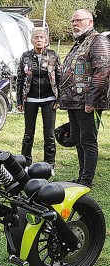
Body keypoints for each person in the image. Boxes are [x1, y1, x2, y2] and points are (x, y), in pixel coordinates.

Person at [59, 9, 110, 187]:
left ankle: (86, 181)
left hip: (87, 102)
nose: (74, 24)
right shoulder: (79, 42)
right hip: (74, 102)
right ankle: (81, 177)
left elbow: (103, 71)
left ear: (90, 22)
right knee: (78, 140)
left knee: (88, 141)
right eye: (73, 21)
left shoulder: (98, 40)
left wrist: (92, 101)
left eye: (79, 20)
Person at [16, 27, 61, 167]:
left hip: (49, 100)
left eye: (42, 37)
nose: (39, 40)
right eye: (36, 37)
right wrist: (19, 100)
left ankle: (50, 165)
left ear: (46, 40)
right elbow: (20, 79)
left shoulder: (53, 55)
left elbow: (60, 77)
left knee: (49, 135)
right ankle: (25, 163)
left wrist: (59, 99)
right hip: (30, 100)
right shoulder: (25, 56)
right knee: (28, 134)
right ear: (31, 40)